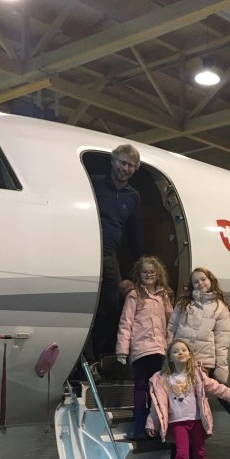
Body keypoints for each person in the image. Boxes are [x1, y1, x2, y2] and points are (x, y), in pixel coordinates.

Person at [146, 339, 230, 459]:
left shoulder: (197, 375)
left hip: (197, 420)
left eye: (184, 350)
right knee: (183, 455)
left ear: (190, 355)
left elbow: (216, 387)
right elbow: (157, 406)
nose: (180, 353)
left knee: (200, 453)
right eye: (175, 351)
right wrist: (152, 423)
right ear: (170, 358)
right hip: (178, 423)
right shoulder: (163, 378)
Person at [90, 144, 144, 364]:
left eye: (131, 165)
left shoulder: (133, 197)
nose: (125, 168)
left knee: (110, 306)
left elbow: (135, 234)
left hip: (108, 255)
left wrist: (139, 270)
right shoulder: (94, 184)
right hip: (88, 251)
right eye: (122, 163)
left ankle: (95, 355)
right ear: (113, 162)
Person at [116, 256, 173, 439]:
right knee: (141, 387)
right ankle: (140, 427)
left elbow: (171, 322)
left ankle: (155, 425)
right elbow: (126, 323)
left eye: (152, 271)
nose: (149, 274)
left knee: (157, 388)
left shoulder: (163, 297)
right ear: (139, 275)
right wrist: (122, 350)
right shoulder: (134, 296)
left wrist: (171, 346)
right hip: (140, 349)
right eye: (145, 271)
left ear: (158, 274)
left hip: (159, 350)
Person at [167, 267, 230, 383]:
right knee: (179, 390)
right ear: (192, 285)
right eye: (196, 282)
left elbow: (222, 342)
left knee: (198, 391)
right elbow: (171, 329)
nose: (200, 283)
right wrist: (168, 355)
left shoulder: (220, 308)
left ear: (211, 280)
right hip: (180, 360)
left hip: (203, 362)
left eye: (203, 279)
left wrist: (221, 370)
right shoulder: (183, 304)